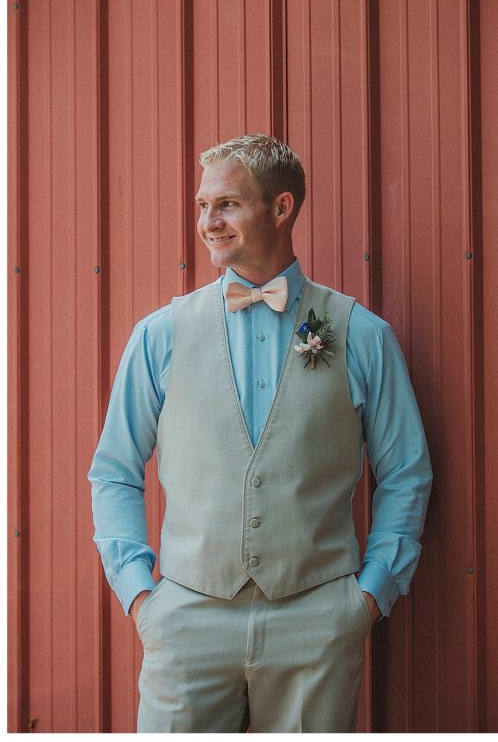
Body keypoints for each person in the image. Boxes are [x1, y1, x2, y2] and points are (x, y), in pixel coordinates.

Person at [88, 134, 431, 733]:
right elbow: (114, 471)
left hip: (317, 619)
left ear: (281, 208)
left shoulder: (360, 333)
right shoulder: (160, 335)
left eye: (227, 205)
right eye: (202, 206)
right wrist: (143, 596)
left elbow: (406, 472)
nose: (208, 222)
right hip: (186, 617)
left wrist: (368, 597)